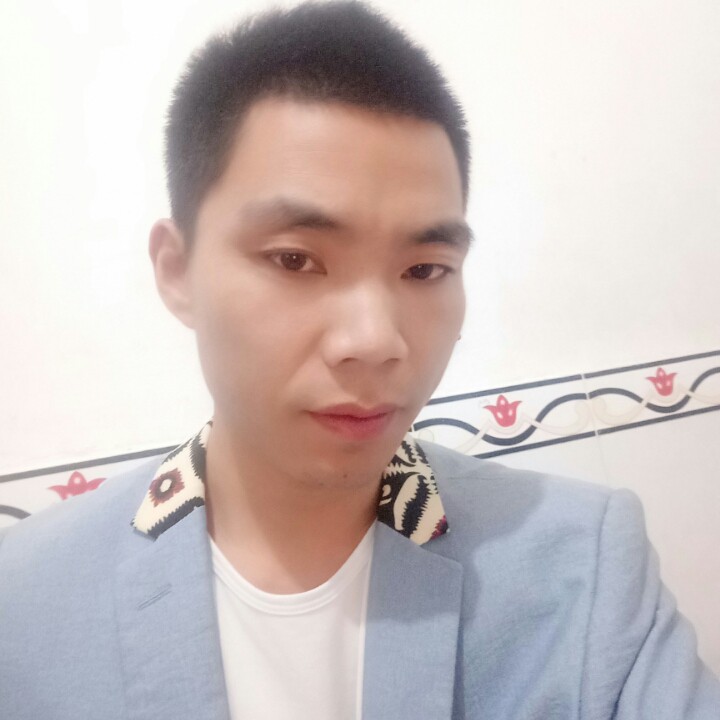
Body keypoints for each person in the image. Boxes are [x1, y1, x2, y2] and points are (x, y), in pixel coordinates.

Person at [1, 2, 718, 718]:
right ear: (177, 270)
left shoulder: (585, 566)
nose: (377, 341)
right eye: (295, 259)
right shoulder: (24, 601)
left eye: (425, 269)